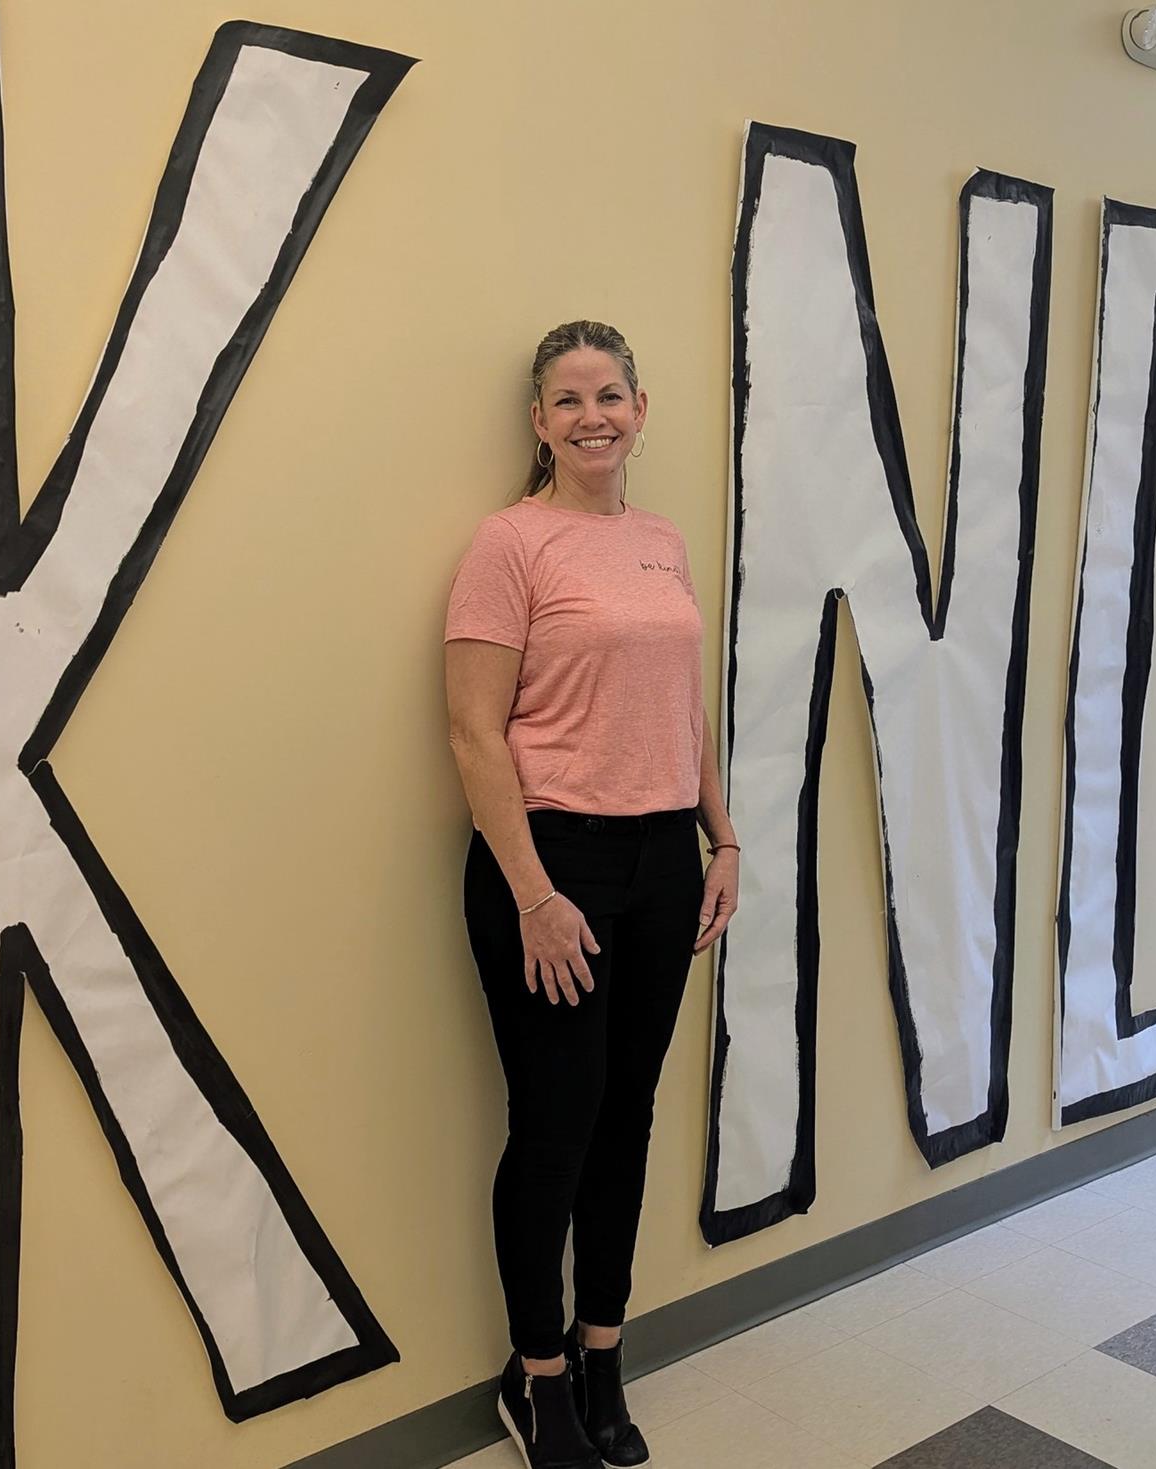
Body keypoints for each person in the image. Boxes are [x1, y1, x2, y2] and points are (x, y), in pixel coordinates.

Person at [445, 321, 740, 1469]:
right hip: (549, 864)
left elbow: (685, 707)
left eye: (608, 395)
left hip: (665, 855)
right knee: (556, 1123)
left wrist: (720, 836)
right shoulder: (509, 543)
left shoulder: (661, 543)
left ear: (640, 407)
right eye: (566, 400)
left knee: (629, 1115)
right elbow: (473, 732)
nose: (590, 416)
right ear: (539, 422)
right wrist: (532, 892)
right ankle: (536, 1376)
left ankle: (604, 1347)